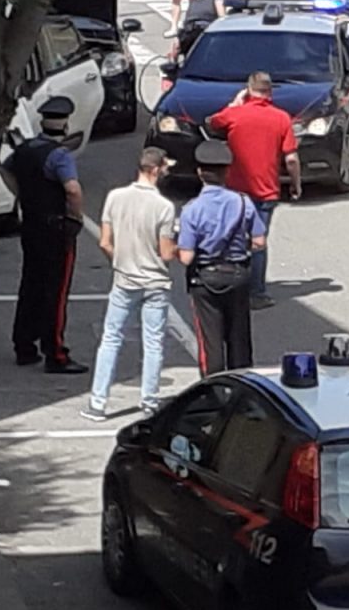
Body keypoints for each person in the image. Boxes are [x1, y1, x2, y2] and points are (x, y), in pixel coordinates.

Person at [81, 148, 177, 421]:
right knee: (153, 343)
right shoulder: (164, 207)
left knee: (111, 339)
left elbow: (104, 241)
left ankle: (97, 403)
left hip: (124, 280)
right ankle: (149, 401)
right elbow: (167, 253)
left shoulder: (115, 197)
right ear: (156, 170)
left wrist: (120, 260)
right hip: (155, 282)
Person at [1, 96, 88, 374]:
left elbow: (5, 169)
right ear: (64, 126)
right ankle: (56, 352)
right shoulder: (59, 155)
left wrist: (23, 197)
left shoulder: (26, 149)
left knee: (31, 284)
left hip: (32, 225)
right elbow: (72, 189)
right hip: (56, 229)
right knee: (56, 291)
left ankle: (24, 345)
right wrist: (75, 217)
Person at [207, 72, 302, 309]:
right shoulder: (281, 118)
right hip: (266, 191)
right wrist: (295, 183)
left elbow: (212, 122)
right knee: (258, 243)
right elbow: (291, 158)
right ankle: (256, 293)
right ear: (270, 92)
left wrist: (235, 103)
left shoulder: (235, 114)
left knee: (232, 238)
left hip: (235, 190)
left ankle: (229, 287)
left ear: (249, 89)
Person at [178, 140, 267, 375]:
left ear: (200, 173)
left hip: (205, 280)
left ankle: (215, 388)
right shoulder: (242, 202)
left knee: (211, 342)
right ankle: (244, 386)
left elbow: (186, 257)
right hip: (238, 276)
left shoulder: (191, 210)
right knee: (239, 337)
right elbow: (259, 242)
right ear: (227, 172)